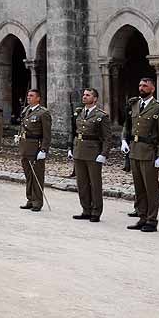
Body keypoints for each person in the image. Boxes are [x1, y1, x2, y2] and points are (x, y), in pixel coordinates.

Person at [122, 77, 159, 232]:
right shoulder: (134, 104)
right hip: (135, 150)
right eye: (140, 85)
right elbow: (127, 125)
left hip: (149, 152)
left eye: (145, 86)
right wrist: (124, 140)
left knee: (151, 188)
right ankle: (142, 217)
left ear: (152, 88)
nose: (141, 88)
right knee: (139, 187)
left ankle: (151, 220)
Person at [70, 87, 111, 222]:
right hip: (79, 150)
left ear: (95, 99)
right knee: (82, 183)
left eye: (88, 95)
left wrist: (104, 153)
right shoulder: (80, 113)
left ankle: (96, 211)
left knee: (95, 183)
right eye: (84, 95)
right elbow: (74, 132)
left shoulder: (101, 116)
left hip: (93, 151)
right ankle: (85, 209)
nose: (84, 97)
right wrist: (71, 148)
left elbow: (107, 137)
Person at [18, 89, 52, 212]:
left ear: (38, 98)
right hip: (25, 147)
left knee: (37, 175)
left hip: (35, 147)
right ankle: (30, 199)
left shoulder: (43, 113)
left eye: (31, 96)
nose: (28, 97)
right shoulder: (26, 110)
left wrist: (43, 149)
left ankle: (37, 201)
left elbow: (47, 134)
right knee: (28, 175)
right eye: (28, 95)